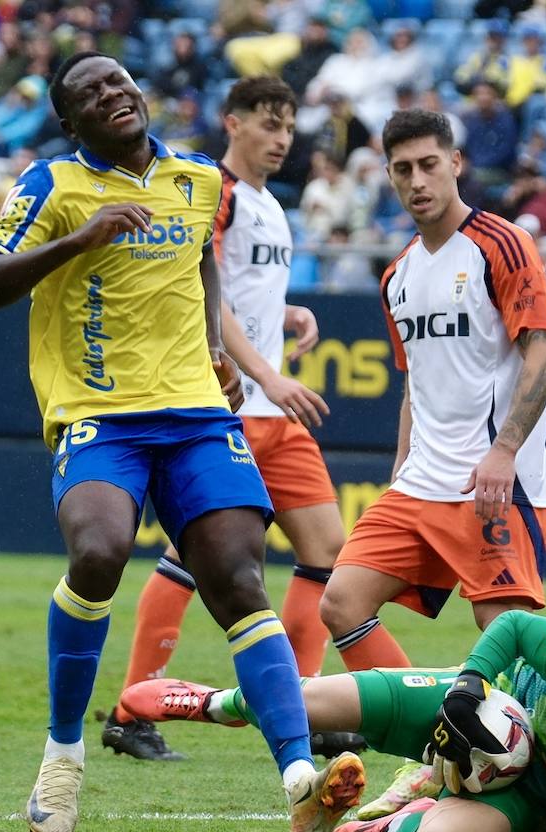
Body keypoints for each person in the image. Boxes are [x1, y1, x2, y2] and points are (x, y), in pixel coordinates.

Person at [0, 52, 363, 832]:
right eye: (89, 94)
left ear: (139, 95)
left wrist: (215, 341)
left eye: (118, 82)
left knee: (240, 578)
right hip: (99, 414)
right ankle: (64, 753)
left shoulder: (198, 179)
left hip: (196, 413)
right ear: (72, 123)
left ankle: (298, 779)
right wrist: (79, 240)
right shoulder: (53, 184)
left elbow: (203, 263)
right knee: (101, 551)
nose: (112, 95)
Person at [317, 108, 546, 815]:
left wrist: (505, 451)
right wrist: (400, 470)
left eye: (429, 164)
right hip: (420, 483)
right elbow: (413, 383)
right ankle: (435, 749)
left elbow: (544, 354)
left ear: (456, 163)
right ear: (387, 175)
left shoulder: (501, 244)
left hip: (492, 480)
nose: (417, 181)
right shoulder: (396, 274)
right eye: (402, 169)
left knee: (508, 640)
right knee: (342, 602)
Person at [98, 77, 348, 759]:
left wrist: (288, 315)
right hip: (234, 406)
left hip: (274, 410)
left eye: (290, 128)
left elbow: (244, 295)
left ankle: (302, 704)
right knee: (196, 557)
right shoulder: (217, 194)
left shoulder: (271, 204)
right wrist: (264, 371)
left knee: (327, 551)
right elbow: (200, 286)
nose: (282, 139)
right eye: (270, 124)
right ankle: (131, 708)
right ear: (232, 122)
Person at [121, 609, 546, 832]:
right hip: (491, 705)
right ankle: (211, 703)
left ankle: (380, 820)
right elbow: (512, 624)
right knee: (313, 701)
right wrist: (468, 686)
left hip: (531, 800)